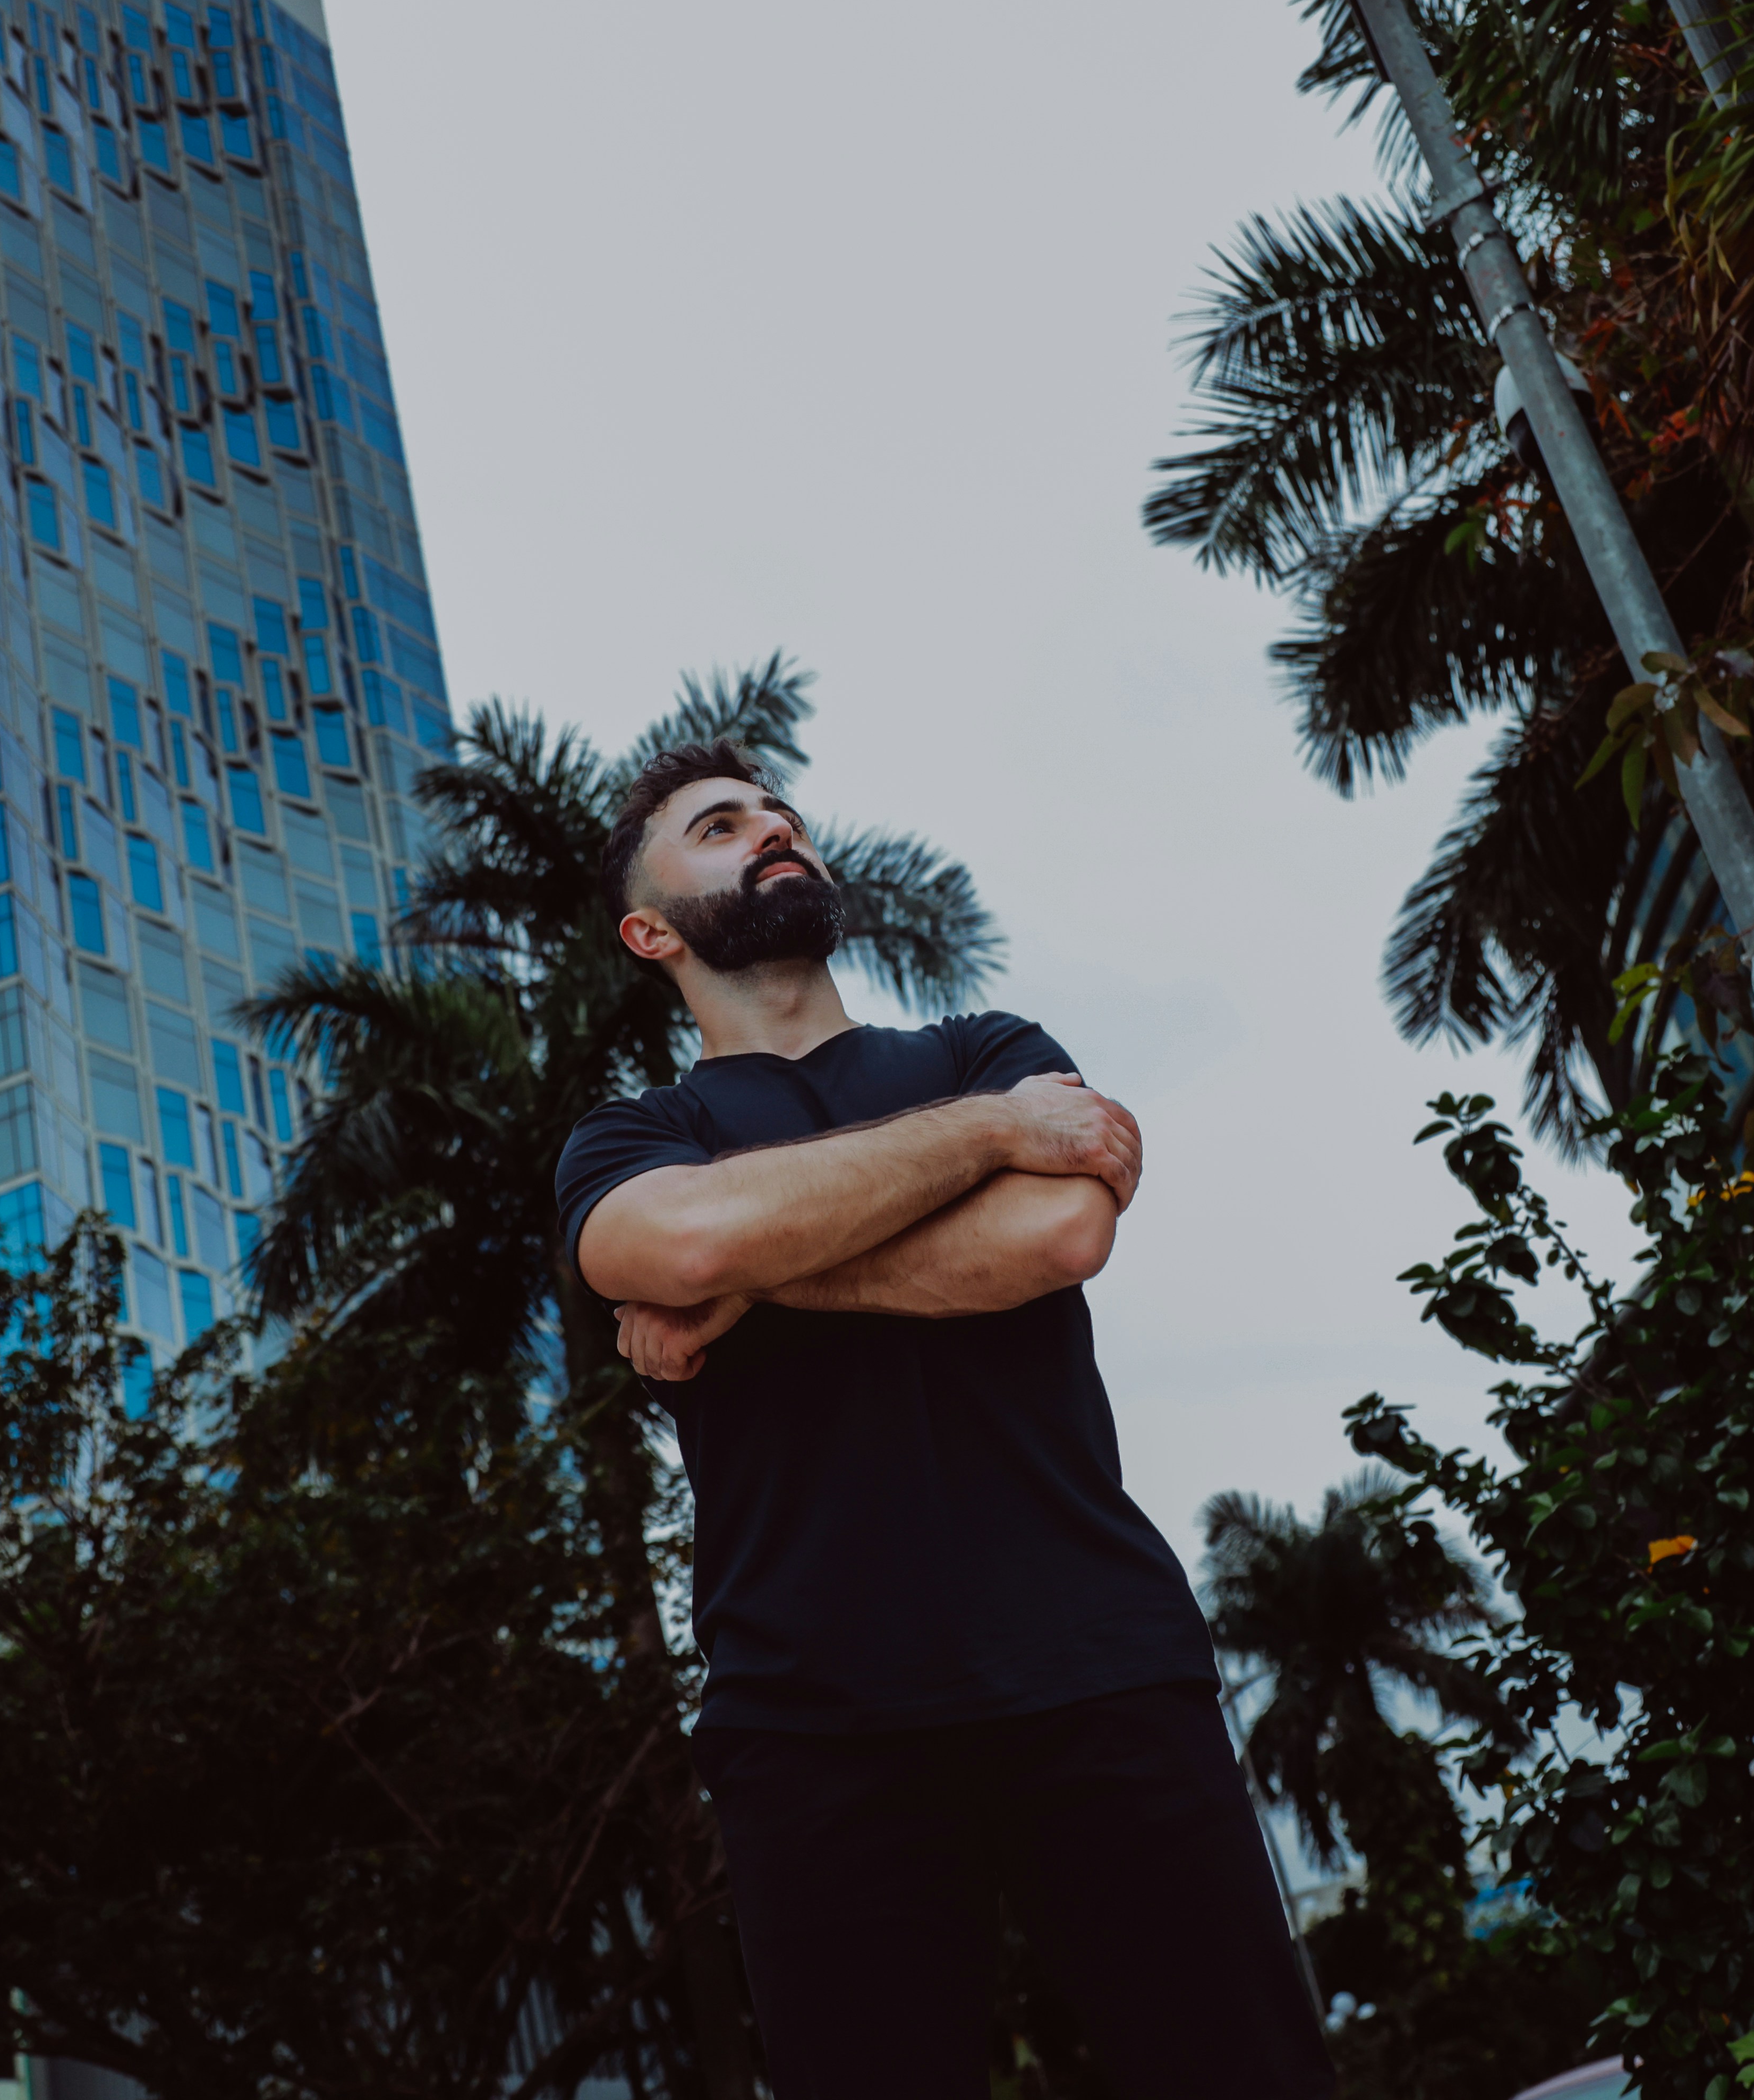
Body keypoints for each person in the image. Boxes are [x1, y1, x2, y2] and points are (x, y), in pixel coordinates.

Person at [556, 739, 1335, 2099]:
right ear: (649, 930)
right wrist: (983, 1141)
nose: (772, 830)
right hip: (809, 1722)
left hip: (1096, 1665)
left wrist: (754, 1273)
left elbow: (1055, 1233)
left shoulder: (990, 1051)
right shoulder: (630, 1139)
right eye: (721, 825)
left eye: (780, 814)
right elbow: (671, 1251)